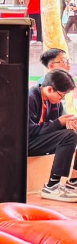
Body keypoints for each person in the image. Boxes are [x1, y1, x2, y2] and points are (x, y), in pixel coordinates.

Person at [28, 68, 77, 202]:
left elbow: (61, 122)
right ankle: (52, 185)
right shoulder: (30, 98)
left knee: (72, 133)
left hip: (40, 140)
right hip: (27, 143)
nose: (62, 99)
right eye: (61, 95)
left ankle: (74, 181)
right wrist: (58, 123)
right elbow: (29, 131)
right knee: (70, 136)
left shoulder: (55, 102)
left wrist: (69, 123)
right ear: (50, 89)